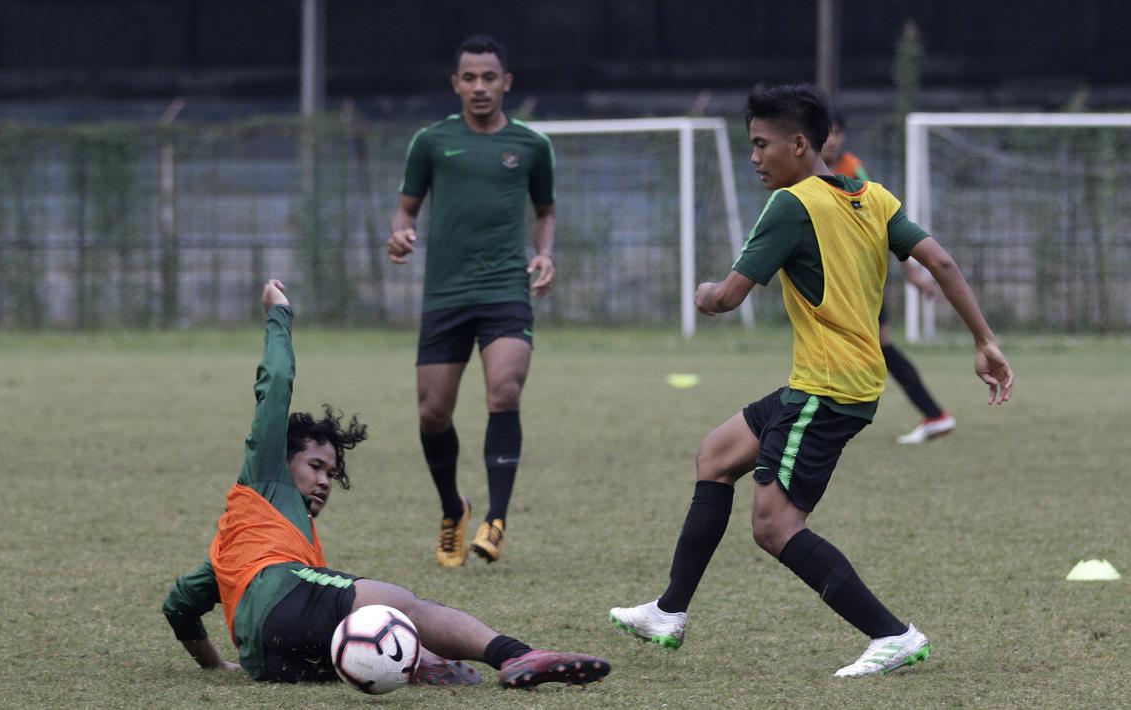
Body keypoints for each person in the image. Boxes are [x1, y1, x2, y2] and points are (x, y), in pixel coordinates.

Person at [609, 84, 1014, 677]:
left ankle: (892, 635)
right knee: (716, 455)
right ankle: (669, 611)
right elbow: (942, 262)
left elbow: (727, 297)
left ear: (798, 144)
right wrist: (984, 340)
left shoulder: (791, 205)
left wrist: (703, 294)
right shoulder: (874, 197)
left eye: (761, 144)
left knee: (774, 526)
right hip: (835, 382)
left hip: (828, 389)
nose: (754, 157)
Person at [161, 280, 610, 689]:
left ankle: (419, 661)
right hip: (283, 600)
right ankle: (515, 655)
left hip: (269, 661)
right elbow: (275, 382)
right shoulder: (265, 476)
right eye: (315, 466)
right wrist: (279, 312)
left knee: (358, 630)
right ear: (282, 458)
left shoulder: (234, 550)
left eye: (330, 473)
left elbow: (179, 605)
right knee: (403, 606)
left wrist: (216, 665)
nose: (324, 481)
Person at [388, 34, 556, 567]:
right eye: (469, 78)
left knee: (504, 390)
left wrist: (544, 253)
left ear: (507, 82)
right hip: (446, 294)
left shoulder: (532, 146)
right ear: (455, 84)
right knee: (433, 412)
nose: (479, 86)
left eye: (489, 77)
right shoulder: (431, 142)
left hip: (506, 289)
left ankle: (496, 520)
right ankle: (452, 509)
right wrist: (400, 233)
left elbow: (545, 211)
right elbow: (406, 208)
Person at [822, 113, 955, 444]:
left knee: (867, 348)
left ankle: (934, 414)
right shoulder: (804, 176)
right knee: (866, 348)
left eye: (837, 132)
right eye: (826, 132)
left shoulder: (853, 171)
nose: (831, 139)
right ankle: (933, 414)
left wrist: (911, 272)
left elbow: (883, 222)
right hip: (835, 278)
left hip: (861, 279)